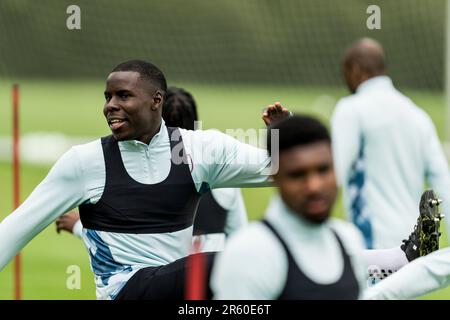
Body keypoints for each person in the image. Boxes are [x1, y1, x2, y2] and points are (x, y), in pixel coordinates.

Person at [0, 60, 288, 300]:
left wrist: (285, 137)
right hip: (123, 291)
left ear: (156, 101)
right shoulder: (84, 162)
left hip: (176, 290)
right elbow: (14, 229)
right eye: (107, 97)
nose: (110, 105)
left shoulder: (200, 149)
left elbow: (278, 170)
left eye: (122, 96)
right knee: (226, 260)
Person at [210, 115, 443, 299]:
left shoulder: (346, 238)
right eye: (298, 175)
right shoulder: (249, 252)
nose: (314, 186)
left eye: (323, 170)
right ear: (275, 177)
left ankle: (406, 257)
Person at [56, 86, 248, 253]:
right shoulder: (220, 174)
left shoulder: (143, 180)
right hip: (213, 279)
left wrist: (77, 226)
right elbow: (239, 238)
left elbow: (127, 246)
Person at [331, 37, 450, 249]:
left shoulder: (350, 109)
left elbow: (333, 176)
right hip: (413, 247)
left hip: (373, 245)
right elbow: (444, 184)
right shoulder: (418, 115)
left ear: (355, 69)